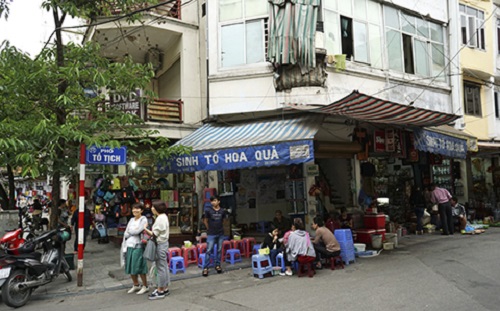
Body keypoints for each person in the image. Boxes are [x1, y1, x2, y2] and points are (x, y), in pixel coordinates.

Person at [143, 200, 170, 300]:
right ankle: (165, 287)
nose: (151, 208)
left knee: (161, 268)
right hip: (163, 243)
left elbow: (154, 234)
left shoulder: (160, 218)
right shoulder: (163, 217)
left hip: (160, 244)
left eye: (153, 207)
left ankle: (160, 290)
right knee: (163, 267)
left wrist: (145, 229)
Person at [122, 203, 149, 295]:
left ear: (141, 210)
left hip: (138, 245)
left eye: (138, 209)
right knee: (130, 266)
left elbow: (138, 231)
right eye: (134, 208)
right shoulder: (131, 220)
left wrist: (131, 231)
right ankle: (136, 284)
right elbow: (126, 233)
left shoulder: (143, 219)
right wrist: (132, 232)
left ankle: (145, 286)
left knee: (139, 265)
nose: (135, 210)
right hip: (128, 245)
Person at [202, 195, 229, 277]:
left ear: (219, 201)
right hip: (211, 233)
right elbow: (205, 221)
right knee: (209, 250)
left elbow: (224, 221)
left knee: (219, 250)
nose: (213, 202)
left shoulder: (222, 211)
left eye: (214, 200)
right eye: (212, 201)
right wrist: (209, 229)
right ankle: (205, 268)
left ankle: (217, 265)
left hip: (220, 233)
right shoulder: (208, 210)